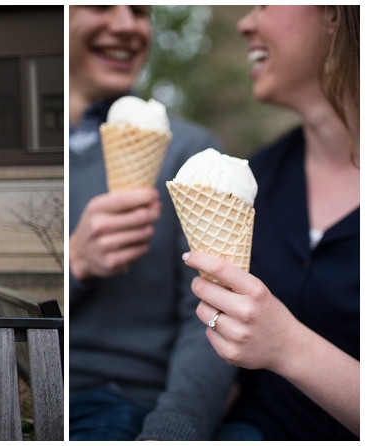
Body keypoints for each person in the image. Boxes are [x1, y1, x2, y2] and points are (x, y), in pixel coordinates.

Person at [183, 5, 359, 440]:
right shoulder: (257, 179)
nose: (245, 23)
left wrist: (287, 347)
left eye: (264, 3)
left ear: (338, 15)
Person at [67, 5, 237, 440]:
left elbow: (214, 317)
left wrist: (175, 428)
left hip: (131, 403)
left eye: (140, 11)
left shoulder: (195, 156)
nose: (127, 25)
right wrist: (74, 263)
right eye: (101, 6)